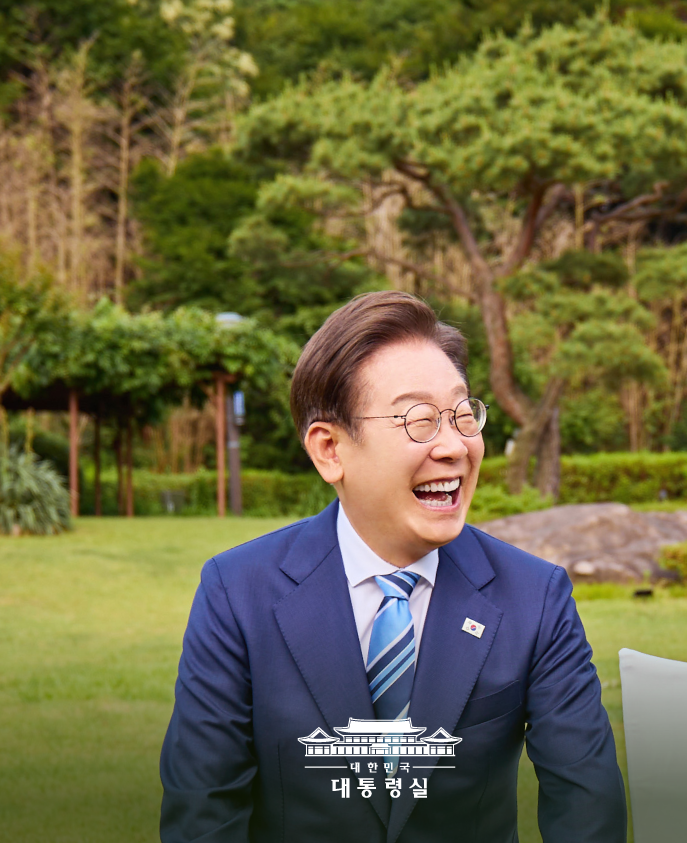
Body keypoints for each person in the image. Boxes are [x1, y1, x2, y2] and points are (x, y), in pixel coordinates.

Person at [160, 290, 627, 843]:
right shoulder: (239, 593)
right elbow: (203, 815)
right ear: (330, 449)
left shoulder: (534, 597)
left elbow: (587, 811)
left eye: (462, 415)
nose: (454, 447)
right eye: (419, 420)